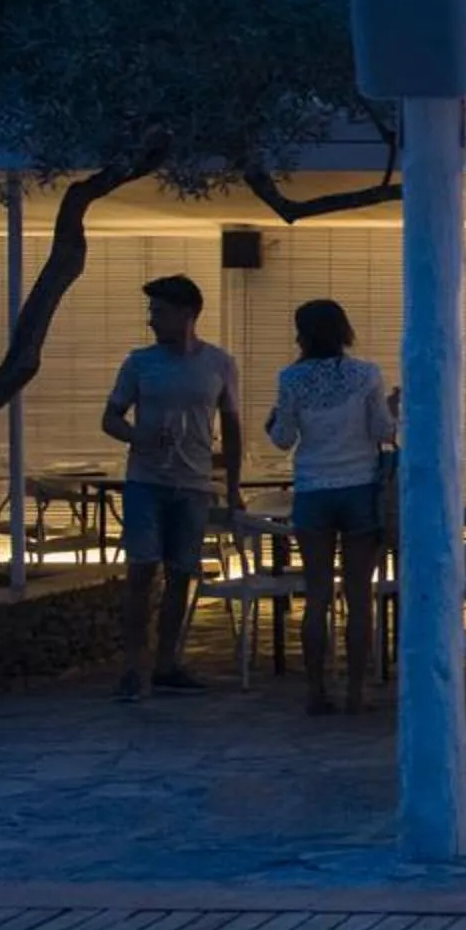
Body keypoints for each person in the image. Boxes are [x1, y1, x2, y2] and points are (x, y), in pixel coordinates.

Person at [101, 274, 243, 703]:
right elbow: (110, 418)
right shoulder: (139, 363)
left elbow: (232, 426)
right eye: (151, 312)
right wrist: (138, 437)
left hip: (195, 484)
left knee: (182, 573)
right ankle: (131, 666)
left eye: (159, 312)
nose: (152, 321)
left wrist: (232, 486)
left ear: (188, 314)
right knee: (142, 571)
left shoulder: (218, 363)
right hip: (147, 481)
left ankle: (166, 664)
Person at [265, 298, 396, 714]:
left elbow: (284, 438)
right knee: (359, 595)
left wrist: (274, 418)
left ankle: (316, 691)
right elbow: (382, 430)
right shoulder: (365, 375)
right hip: (360, 488)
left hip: (313, 491)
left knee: (317, 594)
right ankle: (357, 691)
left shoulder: (291, 379)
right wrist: (391, 408)